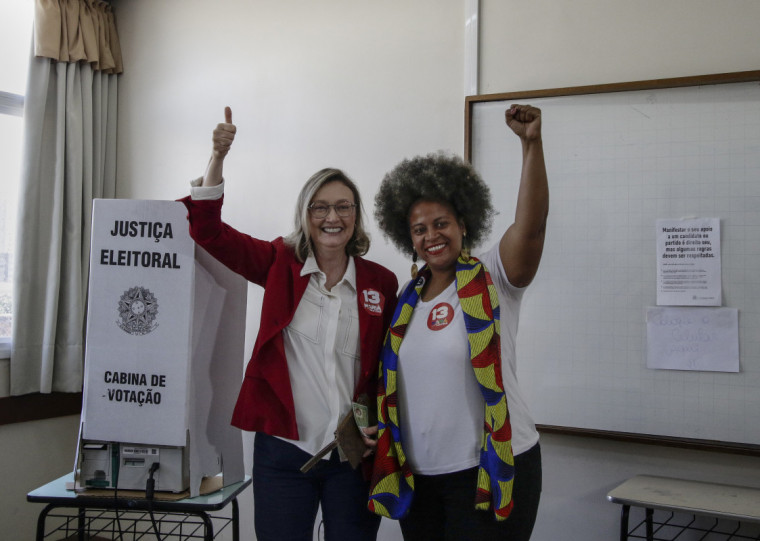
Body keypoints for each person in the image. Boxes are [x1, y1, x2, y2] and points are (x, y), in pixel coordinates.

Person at [181, 107, 398, 541]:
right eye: (320, 207)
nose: (331, 217)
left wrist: (384, 425)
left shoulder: (381, 283)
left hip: (352, 455)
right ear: (305, 213)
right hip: (283, 451)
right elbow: (207, 231)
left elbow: (390, 368)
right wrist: (217, 157)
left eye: (342, 207)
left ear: (356, 215)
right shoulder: (280, 262)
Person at [368, 104, 548, 540]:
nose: (431, 236)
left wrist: (531, 145)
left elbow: (532, 226)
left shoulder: (493, 276)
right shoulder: (405, 303)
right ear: (406, 237)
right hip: (421, 479)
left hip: (490, 471)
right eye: (418, 229)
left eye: (441, 223)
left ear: (464, 223)